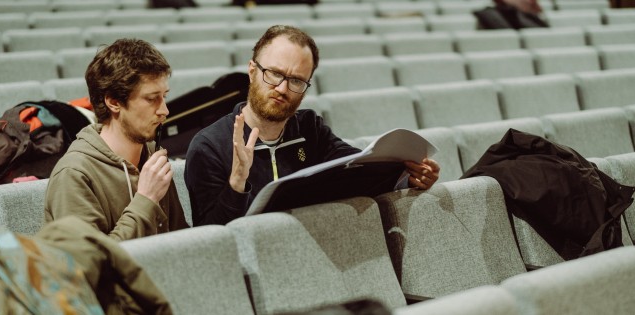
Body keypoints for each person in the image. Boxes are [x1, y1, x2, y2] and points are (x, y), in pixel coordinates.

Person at [184, 25, 441, 226]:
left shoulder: (309, 128)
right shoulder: (210, 146)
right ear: (252, 71)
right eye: (273, 73)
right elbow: (212, 242)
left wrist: (409, 177)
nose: (282, 89)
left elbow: (358, 169)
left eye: (296, 80)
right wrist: (237, 184)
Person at [44, 38, 189, 241]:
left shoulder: (151, 155)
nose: (164, 110)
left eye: (164, 96)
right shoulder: (74, 175)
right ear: (113, 102)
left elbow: (180, 239)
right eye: (151, 98)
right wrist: (146, 200)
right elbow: (92, 265)